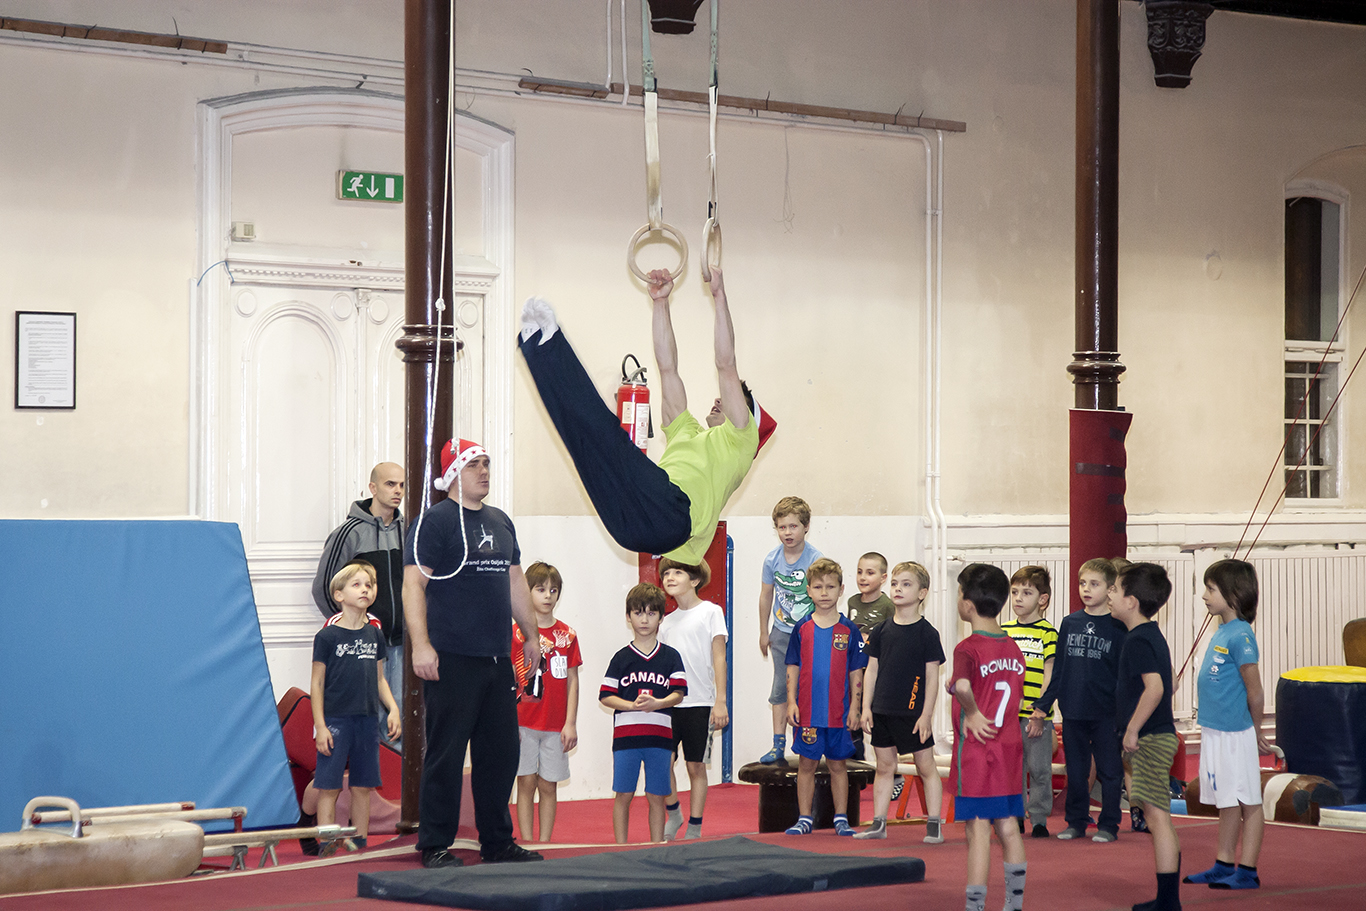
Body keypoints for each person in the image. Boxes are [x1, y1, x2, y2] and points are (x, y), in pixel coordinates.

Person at [517, 266, 776, 563]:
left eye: (730, 398)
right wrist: (660, 302)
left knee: (610, 438)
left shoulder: (740, 441)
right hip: (630, 531)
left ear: (746, 416)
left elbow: (725, 364)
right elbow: (667, 368)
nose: (718, 399)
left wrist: (719, 295)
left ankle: (552, 344)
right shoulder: (685, 430)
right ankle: (537, 348)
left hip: (674, 517)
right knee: (583, 446)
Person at [403, 438, 543, 868]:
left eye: (486, 463)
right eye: (473, 465)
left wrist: (532, 635)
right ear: (452, 474)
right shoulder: (435, 522)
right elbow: (413, 585)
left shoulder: (501, 521)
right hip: (452, 657)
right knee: (446, 753)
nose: (484, 471)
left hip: (497, 658)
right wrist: (421, 645)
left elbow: (515, 581)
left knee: (500, 755)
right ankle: (435, 844)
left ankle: (497, 842)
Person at [1184, 558, 1271, 891]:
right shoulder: (1222, 631)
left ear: (1233, 595)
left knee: (1248, 799)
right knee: (1226, 798)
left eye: (1211, 589)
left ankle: (1247, 870)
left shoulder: (1242, 635)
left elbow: (1255, 690)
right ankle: (1223, 863)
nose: (1204, 596)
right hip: (1215, 729)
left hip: (1236, 733)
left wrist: (1256, 729)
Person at [947, 563, 1028, 911]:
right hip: (1009, 747)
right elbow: (1015, 696)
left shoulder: (968, 648)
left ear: (967, 603)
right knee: (1008, 827)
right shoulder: (1013, 648)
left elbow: (965, 686)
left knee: (978, 829)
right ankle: (1014, 903)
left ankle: (975, 905)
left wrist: (973, 712)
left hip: (980, 753)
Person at [1031, 557, 1126, 842]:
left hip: (1106, 712)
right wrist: (1044, 704)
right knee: (1076, 770)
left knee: (1110, 771)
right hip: (1073, 710)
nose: (1086, 589)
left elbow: (1123, 674)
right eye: (1082, 583)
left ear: (1110, 589)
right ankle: (1076, 821)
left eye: (1094, 584)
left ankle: (1109, 824)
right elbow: (1059, 669)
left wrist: (1125, 712)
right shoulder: (1070, 623)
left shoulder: (1118, 626)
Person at [310, 561, 401, 855]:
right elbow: (317, 684)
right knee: (329, 786)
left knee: (363, 786)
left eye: (369, 585)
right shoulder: (327, 637)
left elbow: (379, 679)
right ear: (339, 594)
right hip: (336, 720)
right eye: (357, 584)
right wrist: (321, 725)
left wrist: (393, 708)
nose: (365, 590)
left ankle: (358, 843)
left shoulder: (374, 635)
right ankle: (326, 841)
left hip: (367, 720)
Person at [312, 462, 407, 743]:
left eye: (402, 485)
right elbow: (325, 588)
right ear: (373, 488)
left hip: (403, 645)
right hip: (363, 647)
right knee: (366, 724)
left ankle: (394, 774)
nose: (398, 491)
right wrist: (352, 629)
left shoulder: (410, 532)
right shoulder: (349, 533)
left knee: (398, 721)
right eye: (390, 484)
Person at [856, 560, 945, 843]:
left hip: (912, 713)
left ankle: (934, 823)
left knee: (925, 766)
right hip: (882, 710)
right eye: (895, 584)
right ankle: (879, 823)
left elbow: (932, 678)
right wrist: (866, 708)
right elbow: (871, 671)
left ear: (922, 593)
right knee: (884, 767)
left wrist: (926, 715)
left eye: (906, 584)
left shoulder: (927, 633)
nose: (898, 589)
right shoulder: (882, 630)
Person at [1111, 563, 1182, 911]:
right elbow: (1170, 680)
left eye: (1115, 589)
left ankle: (1168, 901)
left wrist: (1133, 728)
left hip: (1151, 737)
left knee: (1157, 818)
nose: (1110, 595)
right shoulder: (1150, 635)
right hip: (1157, 735)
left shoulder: (1138, 639)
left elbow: (1156, 688)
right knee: (1157, 816)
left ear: (1132, 601)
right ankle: (1167, 898)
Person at [600, 583, 688, 844]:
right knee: (623, 795)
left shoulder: (671, 657)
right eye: (638, 613)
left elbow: (679, 693)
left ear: (661, 617)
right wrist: (631, 706)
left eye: (651, 613)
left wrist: (657, 703)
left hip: (659, 740)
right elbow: (605, 695)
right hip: (626, 739)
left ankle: (656, 846)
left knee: (656, 797)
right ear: (628, 617)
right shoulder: (621, 658)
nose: (645, 619)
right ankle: (621, 847)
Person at [783, 558, 866, 836]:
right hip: (808, 712)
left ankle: (841, 817)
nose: (824, 592)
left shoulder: (849, 630)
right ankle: (804, 818)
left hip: (839, 713)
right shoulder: (801, 628)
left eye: (830, 587)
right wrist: (791, 702)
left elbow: (856, 671)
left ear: (841, 590)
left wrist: (855, 707)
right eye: (818, 587)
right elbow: (792, 667)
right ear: (808, 590)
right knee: (806, 765)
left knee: (837, 765)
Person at [657, 557, 729, 840]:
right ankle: (674, 812)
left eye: (678, 572)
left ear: (695, 580)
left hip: (700, 702)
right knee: (663, 762)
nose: (670, 577)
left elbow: (719, 657)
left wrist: (720, 700)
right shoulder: (665, 622)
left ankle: (695, 826)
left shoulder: (711, 612)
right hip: (670, 703)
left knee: (695, 765)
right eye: (666, 573)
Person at [510, 562, 582, 844]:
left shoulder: (568, 635)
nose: (547, 596)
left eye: (553, 590)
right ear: (527, 592)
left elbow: (573, 681)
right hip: (523, 723)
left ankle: (545, 842)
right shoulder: (516, 634)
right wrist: (508, 721)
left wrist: (570, 723)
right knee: (525, 783)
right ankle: (527, 841)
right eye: (540, 589)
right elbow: (508, 681)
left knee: (548, 785)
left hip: (555, 725)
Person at [758, 496, 822, 763]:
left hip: (809, 632)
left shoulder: (815, 560)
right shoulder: (772, 560)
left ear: (806, 527)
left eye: (793, 526)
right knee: (780, 687)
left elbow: (823, 597)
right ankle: (778, 744)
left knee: (810, 685)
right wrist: (764, 632)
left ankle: (810, 740)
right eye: (782, 527)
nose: (787, 532)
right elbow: (766, 595)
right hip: (782, 631)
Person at [1003, 565, 1058, 838]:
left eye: (1026, 593)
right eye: (1014, 592)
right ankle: (1015, 815)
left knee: (1038, 769)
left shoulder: (1048, 633)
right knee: (1013, 769)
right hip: (1008, 715)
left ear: (1042, 599)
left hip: (1036, 716)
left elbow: (1050, 674)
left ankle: (1038, 818)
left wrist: (1039, 712)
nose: (1018, 598)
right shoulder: (1004, 630)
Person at [846, 551, 892, 762]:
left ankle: (890, 766)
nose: (863, 577)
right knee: (853, 718)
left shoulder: (887, 606)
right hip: (855, 671)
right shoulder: (853, 601)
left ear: (883, 578)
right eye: (859, 572)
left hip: (876, 674)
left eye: (870, 573)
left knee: (876, 719)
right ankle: (856, 764)